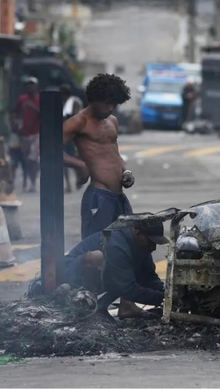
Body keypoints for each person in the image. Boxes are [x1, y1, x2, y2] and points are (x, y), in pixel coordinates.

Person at [63, 73, 134, 240]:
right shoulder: (79, 121)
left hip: (119, 197)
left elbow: (115, 154)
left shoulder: (113, 121)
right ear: (95, 98)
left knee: (125, 246)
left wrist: (126, 171)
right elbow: (49, 150)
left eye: (114, 104)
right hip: (99, 197)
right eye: (107, 103)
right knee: (95, 248)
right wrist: (79, 165)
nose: (110, 108)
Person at [62, 222, 167, 317]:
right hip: (70, 275)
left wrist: (167, 294)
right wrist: (162, 299)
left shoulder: (140, 246)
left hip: (106, 275)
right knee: (98, 258)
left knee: (125, 274)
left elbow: (148, 276)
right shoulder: (117, 245)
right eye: (150, 241)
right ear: (136, 232)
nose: (154, 247)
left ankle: (125, 308)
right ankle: (89, 309)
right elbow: (128, 289)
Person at [12, 77, 41, 192]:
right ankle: (25, 181)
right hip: (23, 134)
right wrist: (14, 125)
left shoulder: (39, 99)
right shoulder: (22, 99)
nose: (30, 87)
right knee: (24, 159)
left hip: (35, 133)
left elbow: (43, 114)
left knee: (33, 159)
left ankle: (33, 181)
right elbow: (15, 112)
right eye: (28, 85)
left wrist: (32, 108)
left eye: (32, 85)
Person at [62, 85, 85, 191]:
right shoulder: (62, 103)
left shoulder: (74, 102)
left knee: (74, 159)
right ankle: (69, 184)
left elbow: (76, 116)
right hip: (66, 134)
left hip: (73, 134)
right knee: (65, 160)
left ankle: (78, 180)